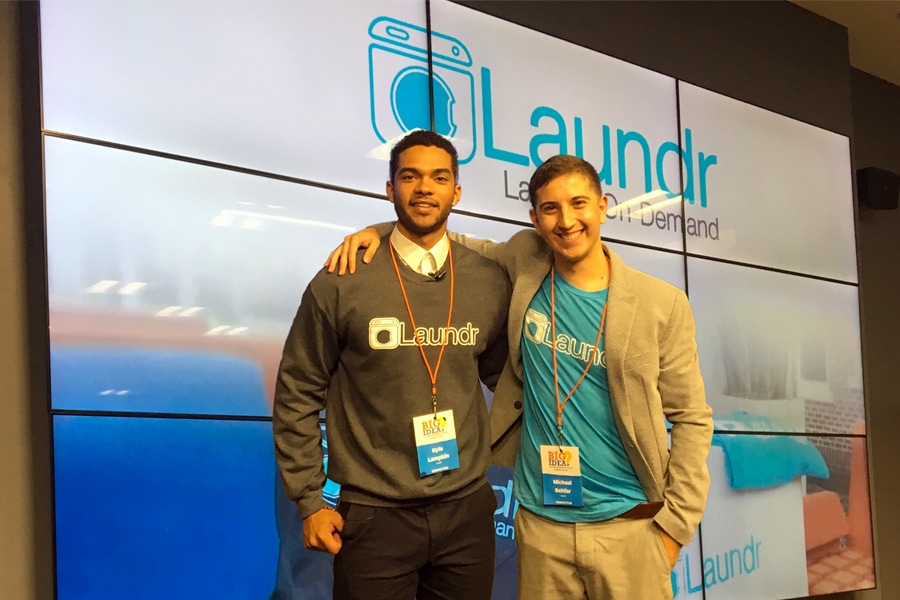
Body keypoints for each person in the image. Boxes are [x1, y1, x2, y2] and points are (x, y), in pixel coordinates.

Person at [326, 154, 714, 599]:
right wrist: (377, 232)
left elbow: (692, 418)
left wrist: (675, 527)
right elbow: (446, 240)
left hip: (630, 525)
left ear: (603, 206)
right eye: (550, 209)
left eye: (578, 204)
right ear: (535, 219)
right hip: (542, 525)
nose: (566, 221)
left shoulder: (661, 304)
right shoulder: (524, 260)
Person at [273, 129, 510, 600]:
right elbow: (297, 391)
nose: (424, 188)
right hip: (373, 515)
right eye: (409, 177)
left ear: (456, 192)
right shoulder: (343, 277)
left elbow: (504, 376)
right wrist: (310, 501)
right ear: (389, 189)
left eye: (439, 178)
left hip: (467, 512)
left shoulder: (488, 280)